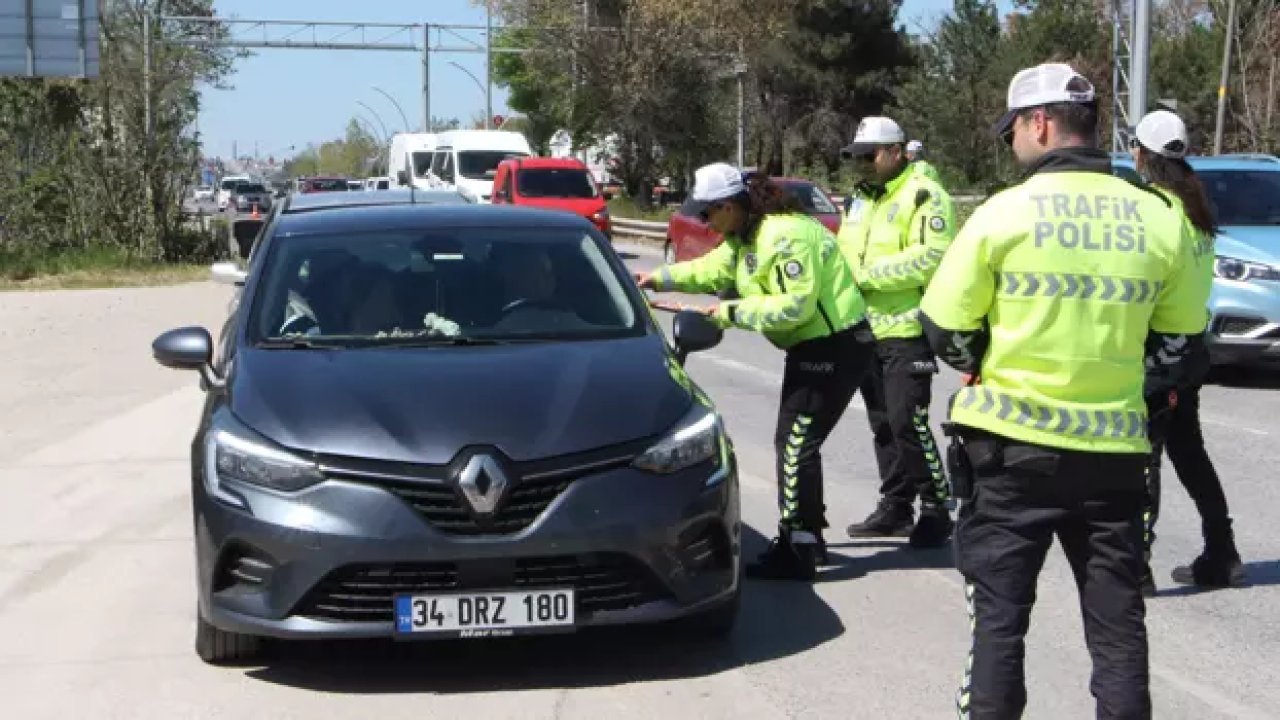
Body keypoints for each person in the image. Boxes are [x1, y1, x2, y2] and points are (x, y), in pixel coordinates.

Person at [918, 62, 1211, 717]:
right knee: (1117, 632)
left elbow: (942, 325)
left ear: (1040, 123)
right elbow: (1183, 346)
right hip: (1113, 462)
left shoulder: (1004, 213)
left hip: (1009, 455)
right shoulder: (1160, 219)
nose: (1011, 143)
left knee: (999, 627)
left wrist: (985, 359)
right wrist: (1135, 388)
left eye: (1012, 130)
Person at [635, 162, 875, 581]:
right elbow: (710, 269)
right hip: (811, 345)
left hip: (834, 345)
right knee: (799, 442)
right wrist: (655, 279)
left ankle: (797, 546)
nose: (706, 222)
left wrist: (725, 313)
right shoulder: (745, 235)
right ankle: (808, 535)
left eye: (710, 213)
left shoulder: (785, 236)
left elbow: (793, 306)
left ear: (732, 205)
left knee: (796, 443)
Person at [1129, 109, 1246, 595]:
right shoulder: (1195, 206)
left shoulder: (1153, 210)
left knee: (1144, 457)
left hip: (1161, 351)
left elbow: (1142, 282)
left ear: (1142, 154)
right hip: (1192, 346)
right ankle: (1223, 551)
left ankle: (1137, 566)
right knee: (1189, 453)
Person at [837, 117, 957, 548]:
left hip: (908, 328)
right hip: (866, 328)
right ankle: (896, 506)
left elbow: (933, 256)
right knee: (883, 424)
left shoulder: (924, 194)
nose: (862, 165)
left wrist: (867, 277)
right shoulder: (862, 198)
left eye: (869, 156)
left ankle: (938, 508)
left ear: (895, 151)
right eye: (856, 157)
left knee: (910, 422)